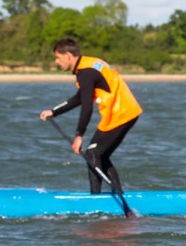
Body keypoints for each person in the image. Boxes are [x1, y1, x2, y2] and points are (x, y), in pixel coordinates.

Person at [39, 37, 142, 194]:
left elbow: (87, 106)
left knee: (92, 154)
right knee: (100, 155)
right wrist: (54, 111)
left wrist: (79, 135)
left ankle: (96, 200)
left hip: (119, 114)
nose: (56, 62)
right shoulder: (88, 64)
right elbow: (80, 98)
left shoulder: (85, 73)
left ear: (67, 55)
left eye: (58, 58)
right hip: (125, 112)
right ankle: (116, 195)